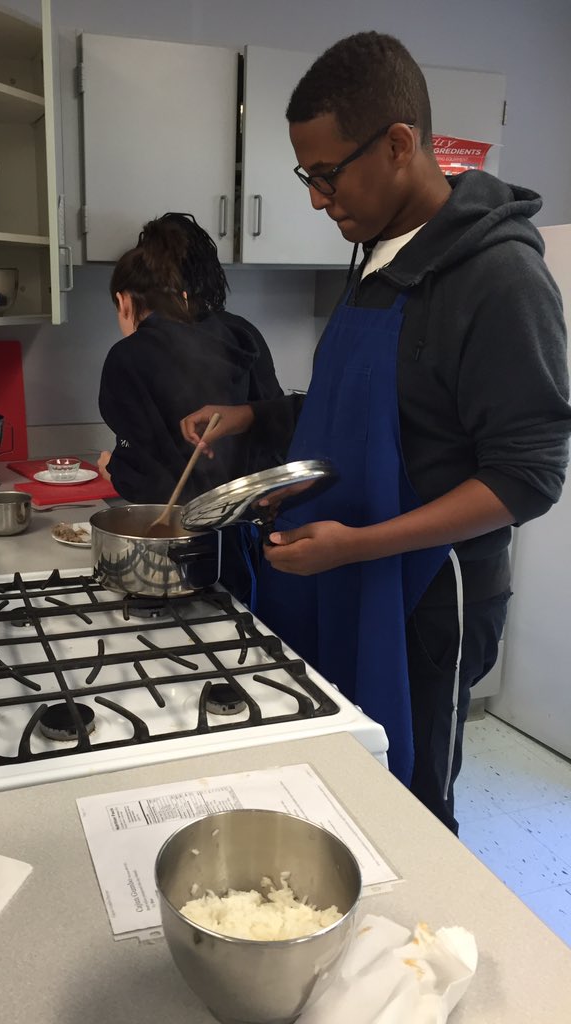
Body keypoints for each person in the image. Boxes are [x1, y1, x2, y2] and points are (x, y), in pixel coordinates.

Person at [181, 31, 571, 833]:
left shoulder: (499, 276)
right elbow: (357, 405)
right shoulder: (376, 252)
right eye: (307, 177)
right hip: (346, 572)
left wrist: (357, 545)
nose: (319, 199)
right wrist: (255, 416)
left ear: (399, 145)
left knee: (411, 801)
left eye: (328, 174)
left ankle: (418, 949)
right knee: (340, 779)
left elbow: (528, 476)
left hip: (429, 597)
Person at [96, 217, 284, 601]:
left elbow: (147, 484)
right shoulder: (243, 333)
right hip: (259, 547)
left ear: (125, 300)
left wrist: (110, 468)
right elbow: (275, 431)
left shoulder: (128, 357)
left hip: (175, 560)